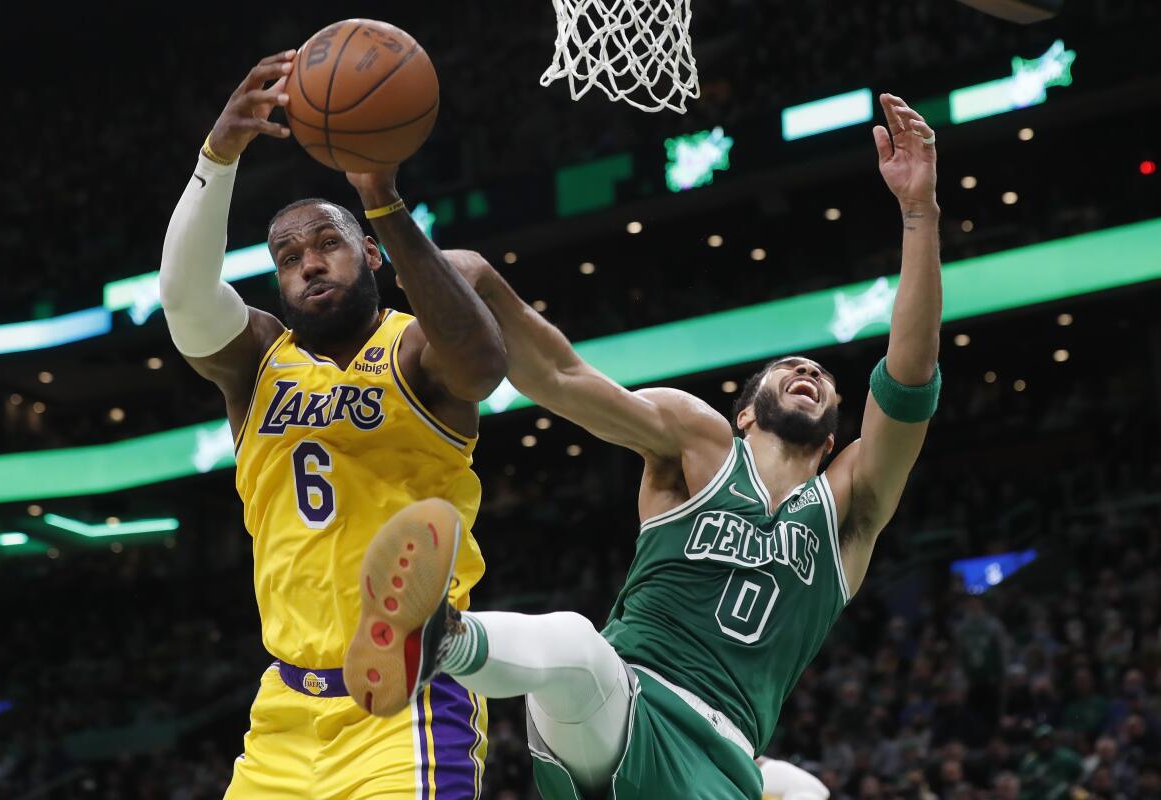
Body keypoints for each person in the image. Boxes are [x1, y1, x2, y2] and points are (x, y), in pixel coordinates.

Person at [347, 92, 941, 799]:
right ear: (746, 413)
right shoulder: (698, 445)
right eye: (788, 370)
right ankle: (436, 639)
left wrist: (919, 211)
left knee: (803, 792)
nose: (809, 370)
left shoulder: (850, 506)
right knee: (575, 645)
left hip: (723, 758)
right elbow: (565, 379)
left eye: (822, 376)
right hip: (619, 705)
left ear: (838, 432)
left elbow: (909, 378)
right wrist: (487, 289)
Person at [158, 50, 506, 798]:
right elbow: (184, 298)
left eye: (327, 244)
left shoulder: (414, 348)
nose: (308, 264)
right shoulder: (255, 360)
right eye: (288, 256)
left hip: (407, 695)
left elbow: (481, 365)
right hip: (282, 713)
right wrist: (216, 157)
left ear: (371, 255)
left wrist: (383, 199)